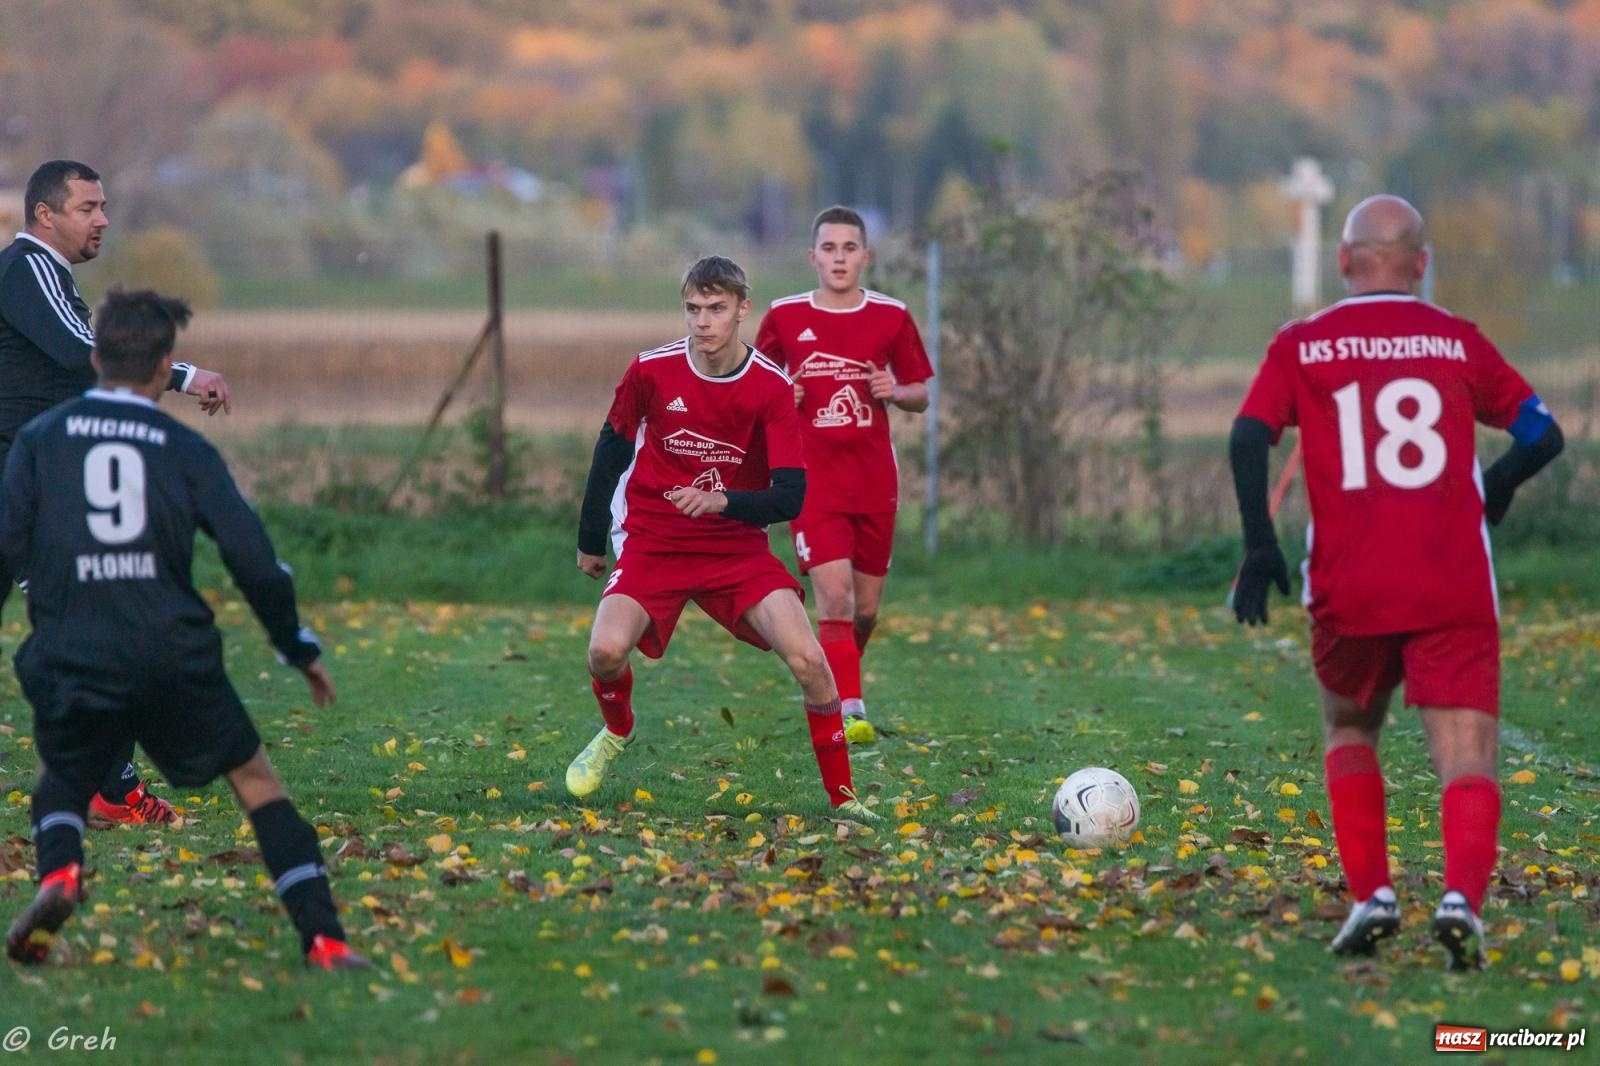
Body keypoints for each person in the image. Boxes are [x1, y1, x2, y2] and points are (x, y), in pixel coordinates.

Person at [1230, 195, 1565, 971]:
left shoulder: (1302, 344)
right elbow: (1543, 433)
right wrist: (1500, 481)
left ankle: (1373, 895)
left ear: (1344, 262)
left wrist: (1258, 544)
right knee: (1467, 754)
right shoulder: (1456, 341)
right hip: (1450, 581)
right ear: (1420, 265)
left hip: (1350, 583)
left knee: (1350, 728)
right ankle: (1460, 902)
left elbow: (1249, 435)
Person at [2, 289, 365, 969]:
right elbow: (253, 560)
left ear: (94, 355)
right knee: (256, 784)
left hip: (75, 647)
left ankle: (59, 875)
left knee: (62, 776)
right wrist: (297, 648)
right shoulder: (182, 447)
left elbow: (6, 542)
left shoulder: (39, 440)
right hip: (172, 649)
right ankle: (323, 937)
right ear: (165, 364)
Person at [568, 255, 877, 820]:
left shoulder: (770, 387)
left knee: (810, 661)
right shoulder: (650, 371)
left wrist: (722, 501)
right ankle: (617, 731)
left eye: (715, 309)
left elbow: (791, 496)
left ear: (742, 309)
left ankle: (845, 800)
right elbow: (609, 451)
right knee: (605, 651)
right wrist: (591, 538)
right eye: (692, 309)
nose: (702, 322)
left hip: (736, 549)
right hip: (655, 540)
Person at [1, 159, 233, 826]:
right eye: (87, 208)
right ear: (45, 215)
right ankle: (109, 789)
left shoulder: (42, 276)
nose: (102, 219)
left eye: (103, 206)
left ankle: (107, 785)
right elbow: (83, 355)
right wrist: (184, 374)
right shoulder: (29, 269)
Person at [753, 206, 932, 744]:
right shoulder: (783, 316)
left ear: (864, 257)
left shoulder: (891, 316)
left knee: (865, 609)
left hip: (875, 481)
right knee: (834, 599)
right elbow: (751, 387)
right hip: (812, 482)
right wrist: (782, 390)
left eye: (848, 248)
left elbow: (920, 392)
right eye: (828, 249)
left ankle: (832, 674)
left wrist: (894, 392)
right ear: (813, 257)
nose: (838, 258)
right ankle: (848, 710)